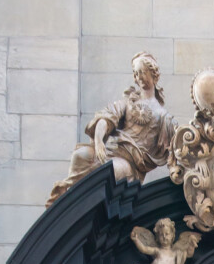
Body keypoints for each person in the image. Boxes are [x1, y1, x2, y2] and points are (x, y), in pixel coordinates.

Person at [47, 51, 176, 207]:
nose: (139, 77)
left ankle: (82, 207)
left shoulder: (164, 117)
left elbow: (175, 146)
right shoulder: (129, 102)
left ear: (153, 73)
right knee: (80, 155)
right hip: (110, 152)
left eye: (142, 72)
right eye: (136, 73)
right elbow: (107, 118)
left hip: (129, 164)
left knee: (108, 172)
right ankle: (68, 205)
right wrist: (99, 140)